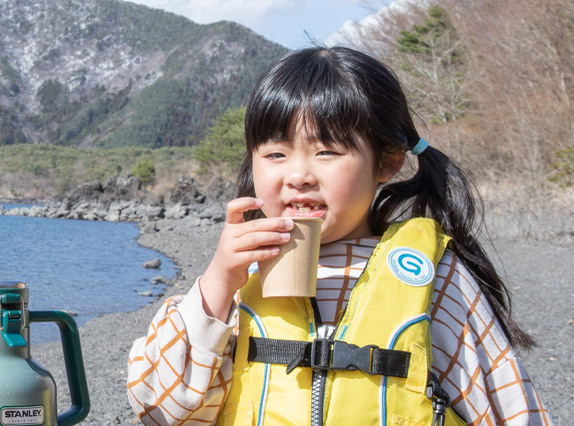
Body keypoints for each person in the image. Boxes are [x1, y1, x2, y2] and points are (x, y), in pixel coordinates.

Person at [128, 46, 552, 425]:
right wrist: (218, 283)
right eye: (275, 154)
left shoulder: (430, 279)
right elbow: (162, 410)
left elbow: (511, 410)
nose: (298, 176)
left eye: (327, 152)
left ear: (386, 163)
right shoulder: (237, 285)